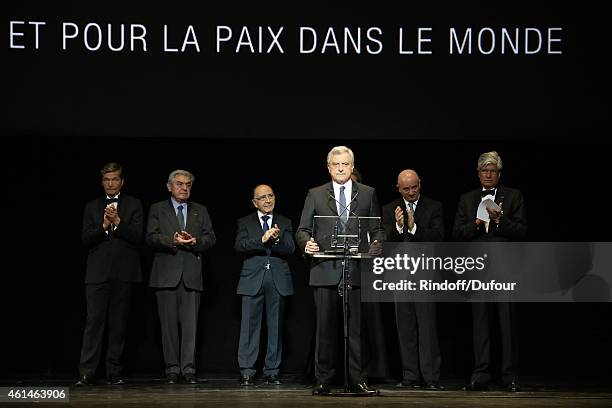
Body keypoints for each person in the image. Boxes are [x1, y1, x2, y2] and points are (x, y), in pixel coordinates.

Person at [296, 146, 382, 395]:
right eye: (336, 164)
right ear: (329, 167)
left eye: (345, 164)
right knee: (325, 330)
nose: (341, 168)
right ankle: (323, 379)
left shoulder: (367, 194)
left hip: (355, 267)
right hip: (324, 268)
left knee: (355, 330)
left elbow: (378, 229)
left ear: (352, 166)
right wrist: (307, 243)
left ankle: (358, 379)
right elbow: (302, 230)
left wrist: (377, 243)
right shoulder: (315, 194)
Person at [452, 151, 527, 392]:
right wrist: (476, 222)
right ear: (478, 173)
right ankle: (480, 374)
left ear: (499, 174)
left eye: (492, 170)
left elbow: (521, 231)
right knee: (480, 323)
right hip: (478, 271)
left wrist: (499, 220)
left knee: (507, 324)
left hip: (505, 271)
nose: (488, 174)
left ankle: (510, 376)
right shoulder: (467, 198)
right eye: (484, 170)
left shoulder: (514, 196)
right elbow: (457, 234)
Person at [146, 169, 216, 384]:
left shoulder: (200, 210)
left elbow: (211, 237)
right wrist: (173, 240)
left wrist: (196, 242)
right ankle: (172, 369)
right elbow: (150, 237)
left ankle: (188, 369)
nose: (184, 188)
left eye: (187, 184)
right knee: (168, 327)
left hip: (191, 275)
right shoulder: (157, 209)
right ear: (169, 187)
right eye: (179, 184)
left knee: (190, 327)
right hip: (166, 275)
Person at [77, 162, 143, 386]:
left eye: (115, 179)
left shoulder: (134, 204)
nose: (111, 183)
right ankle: (87, 372)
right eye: (107, 179)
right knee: (93, 322)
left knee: (118, 325)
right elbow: (85, 239)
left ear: (122, 181)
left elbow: (138, 237)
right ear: (102, 182)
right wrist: (104, 225)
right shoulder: (91, 206)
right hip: (97, 274)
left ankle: (114, 372)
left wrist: (118, 222)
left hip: (124, 273)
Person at [382, 169, 444, 390]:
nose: (411, 192)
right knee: (405, 328)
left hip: (425, 275)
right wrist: (399, 227)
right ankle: (410, 376)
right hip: (400, 275)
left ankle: (431, 378)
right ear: (398, 188)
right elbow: (384, 242)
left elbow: (438, 236)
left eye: (414, 187)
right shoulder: (390, 209)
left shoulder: (433, 207)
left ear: (420, 184)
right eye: (406, 189)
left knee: (427, 330)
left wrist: (413, 227)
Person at [235, 184, 295, 386]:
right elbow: (239, 246)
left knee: (276, 327)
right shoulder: (245, 222)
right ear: (254, 202)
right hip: (252, 279)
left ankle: (272, 370)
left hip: (277, 279)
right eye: (262, 197)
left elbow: (291, 248)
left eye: (270, 196)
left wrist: (276, 240)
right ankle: (247, 370)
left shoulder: (284, 222)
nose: (268, 200)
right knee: (249, 327)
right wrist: (263, 239)